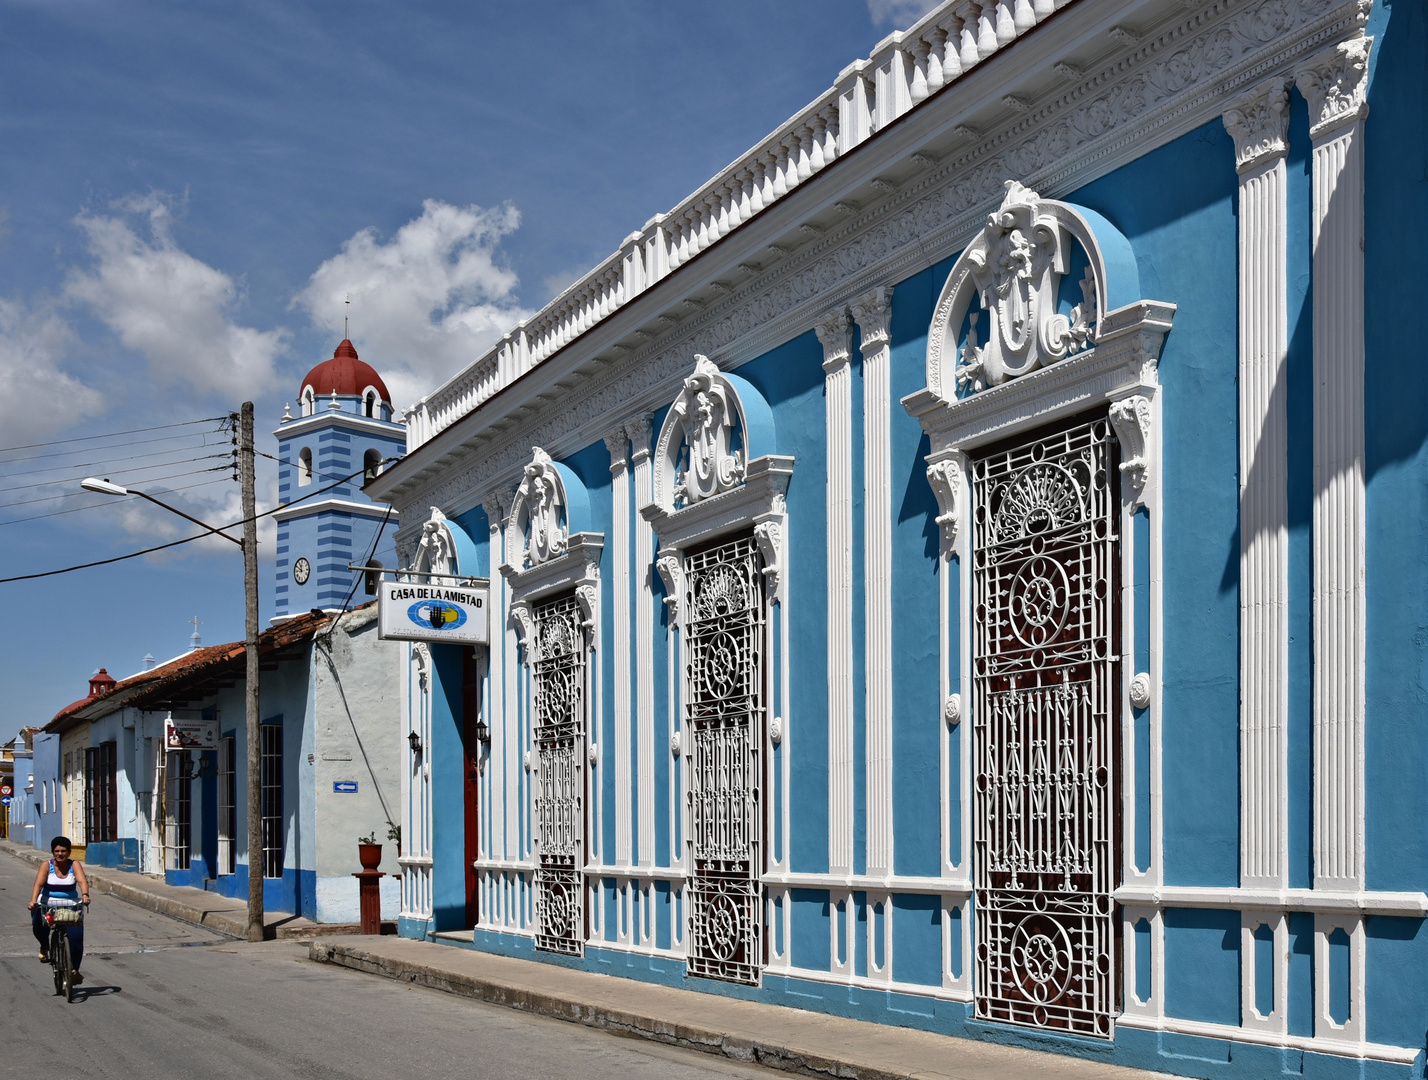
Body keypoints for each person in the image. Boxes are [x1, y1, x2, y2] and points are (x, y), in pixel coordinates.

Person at [28, 835, 89, 984]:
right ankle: (44, 945)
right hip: (47, 904)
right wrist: (33, 901)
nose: (60, 854)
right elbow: (38, 884)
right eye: (57, 851)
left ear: (68, 852)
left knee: (76, 937)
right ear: (52, 852)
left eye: (63, 851)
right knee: (38, 923)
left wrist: (85, 895)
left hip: (70, 904)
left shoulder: (74, 864)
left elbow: (82, 881)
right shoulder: (46, 865)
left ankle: (74, 970)